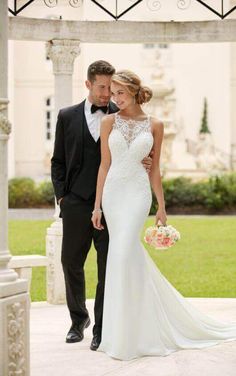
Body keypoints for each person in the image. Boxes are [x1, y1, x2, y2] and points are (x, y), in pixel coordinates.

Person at [91, 69, 236, 360]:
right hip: (113, 194)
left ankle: (138, 332)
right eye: (112, 93)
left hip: (137, 195)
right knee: (120, 258)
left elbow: (155, 168)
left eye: (120, 92)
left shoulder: (155, 125)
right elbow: (104, 165)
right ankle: (120, 334)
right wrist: (97, 206)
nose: (114, 98)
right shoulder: (108, 122)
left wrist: (161, 205)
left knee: (124, 253)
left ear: (133, 91)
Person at [51, 61, 152, 351]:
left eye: (112, 88)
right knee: (70, 262)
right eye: (102, 87)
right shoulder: (66, 116)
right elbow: (57, 161)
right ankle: (77, 320)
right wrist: (62, 197)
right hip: (75, 203)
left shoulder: (121, 116)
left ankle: (101, 328)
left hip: (114, 203)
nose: (109, 94)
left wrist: (143, 160)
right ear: (88, 85)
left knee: (107, 264)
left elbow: (141, 147)